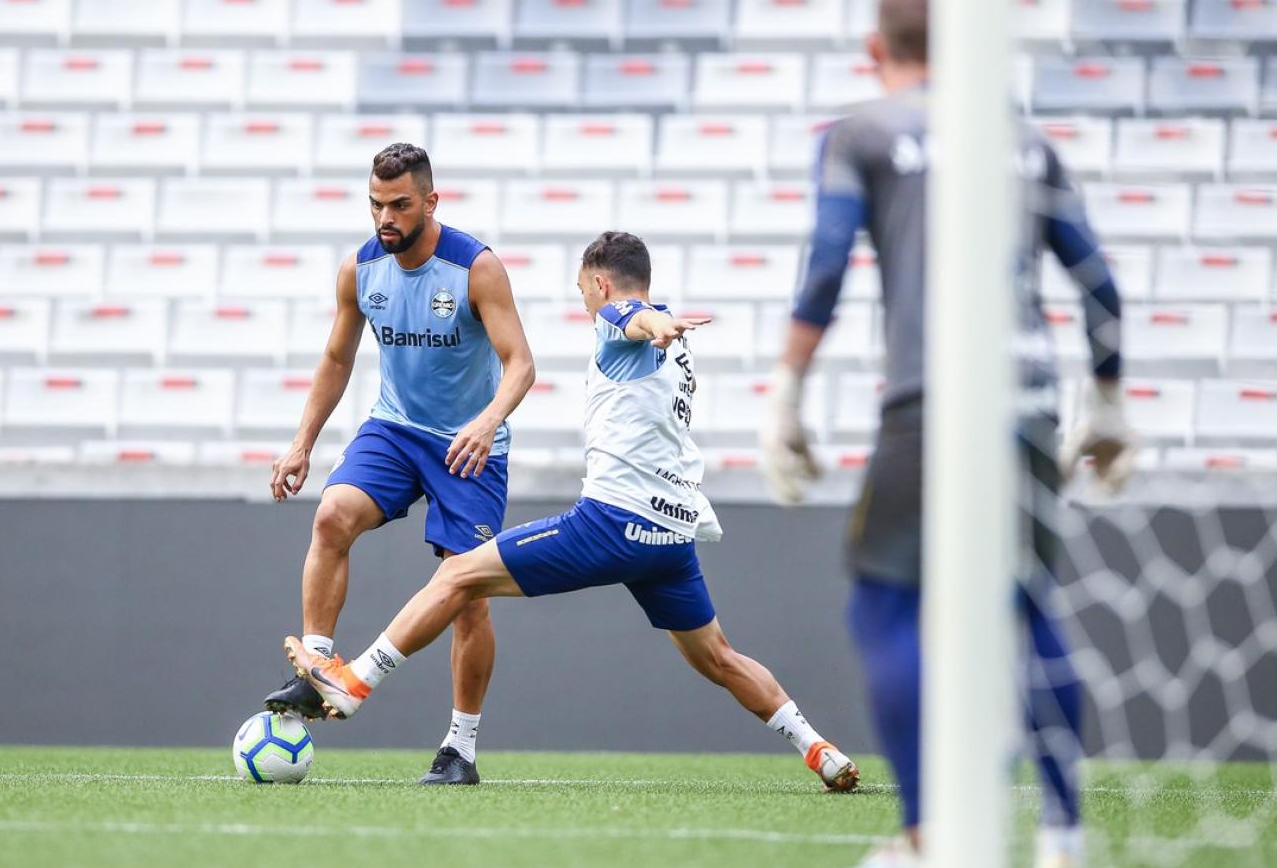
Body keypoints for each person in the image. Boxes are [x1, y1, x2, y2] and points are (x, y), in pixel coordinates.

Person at [759, 0, 1135, 868]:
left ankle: (928, 836)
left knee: (884, 605)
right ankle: (1063, 837)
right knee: (1025, 604)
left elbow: (824, 266)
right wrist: (1112, 401)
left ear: (875, 50)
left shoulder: (864, 132)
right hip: (1031, 400)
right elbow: (1097, 281)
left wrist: (787, 395)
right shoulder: (1021, 140)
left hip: (931, 402)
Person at [282, 231, 861, 791]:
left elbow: (629, 318)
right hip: (669, 535)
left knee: (457, 575)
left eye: (583, 287)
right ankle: (819, 749)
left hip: (611, 524)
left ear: (602, 283)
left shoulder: (622, 324)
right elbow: (646, 323)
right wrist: (662, 324)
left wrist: (651, 320)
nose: (582, 298)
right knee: (719, 656)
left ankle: (354, 682)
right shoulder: (675, 352)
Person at [265, 143, 536, 785]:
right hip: (395, 427)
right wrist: (302, 441)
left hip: (468, 444)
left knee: (466, 593)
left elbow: (521, 363)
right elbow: (336, 359)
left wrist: (489, 419)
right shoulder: (359, 270)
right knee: (332, 515)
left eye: (399, 205)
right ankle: (318, 670)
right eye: (375, 204)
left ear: (431, 202)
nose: (385, 218)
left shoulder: (476, 268)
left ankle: (460, 748)